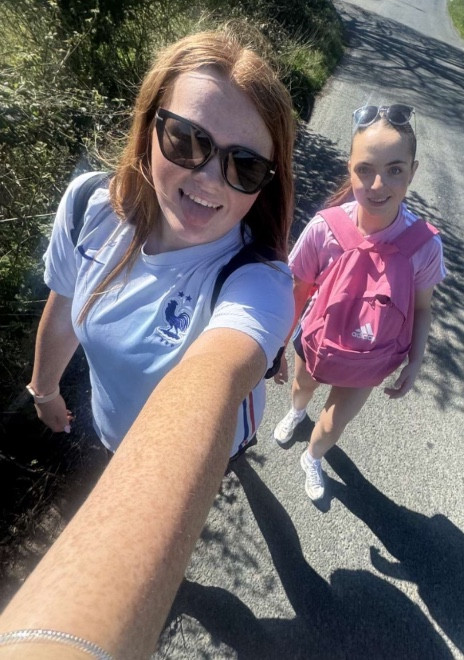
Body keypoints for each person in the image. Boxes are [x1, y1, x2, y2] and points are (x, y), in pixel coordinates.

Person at [0, 28, 294, 658]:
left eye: (245, 165)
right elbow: (63, 310)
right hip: (112, 429)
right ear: (149, 125)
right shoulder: (90, 207)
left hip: (218, 439)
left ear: (266, 183)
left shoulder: (260, 284)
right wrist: (43, 388)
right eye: (186, 140)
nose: (209, 178)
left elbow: (213, 381)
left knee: (205, 473)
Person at [272, 104, 446, 502]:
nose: (378, 184)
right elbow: (299, 290)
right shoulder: (324, 229)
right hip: (316, 340)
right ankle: (297, 412)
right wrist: (278, 345)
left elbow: (422, 307)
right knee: (301, 388)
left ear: (413, 172)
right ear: (349, 168)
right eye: (365, 169)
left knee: (333, 425)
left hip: (372, 354)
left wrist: (415, 360)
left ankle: (312, 457)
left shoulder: (424, 245)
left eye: (395, 170)